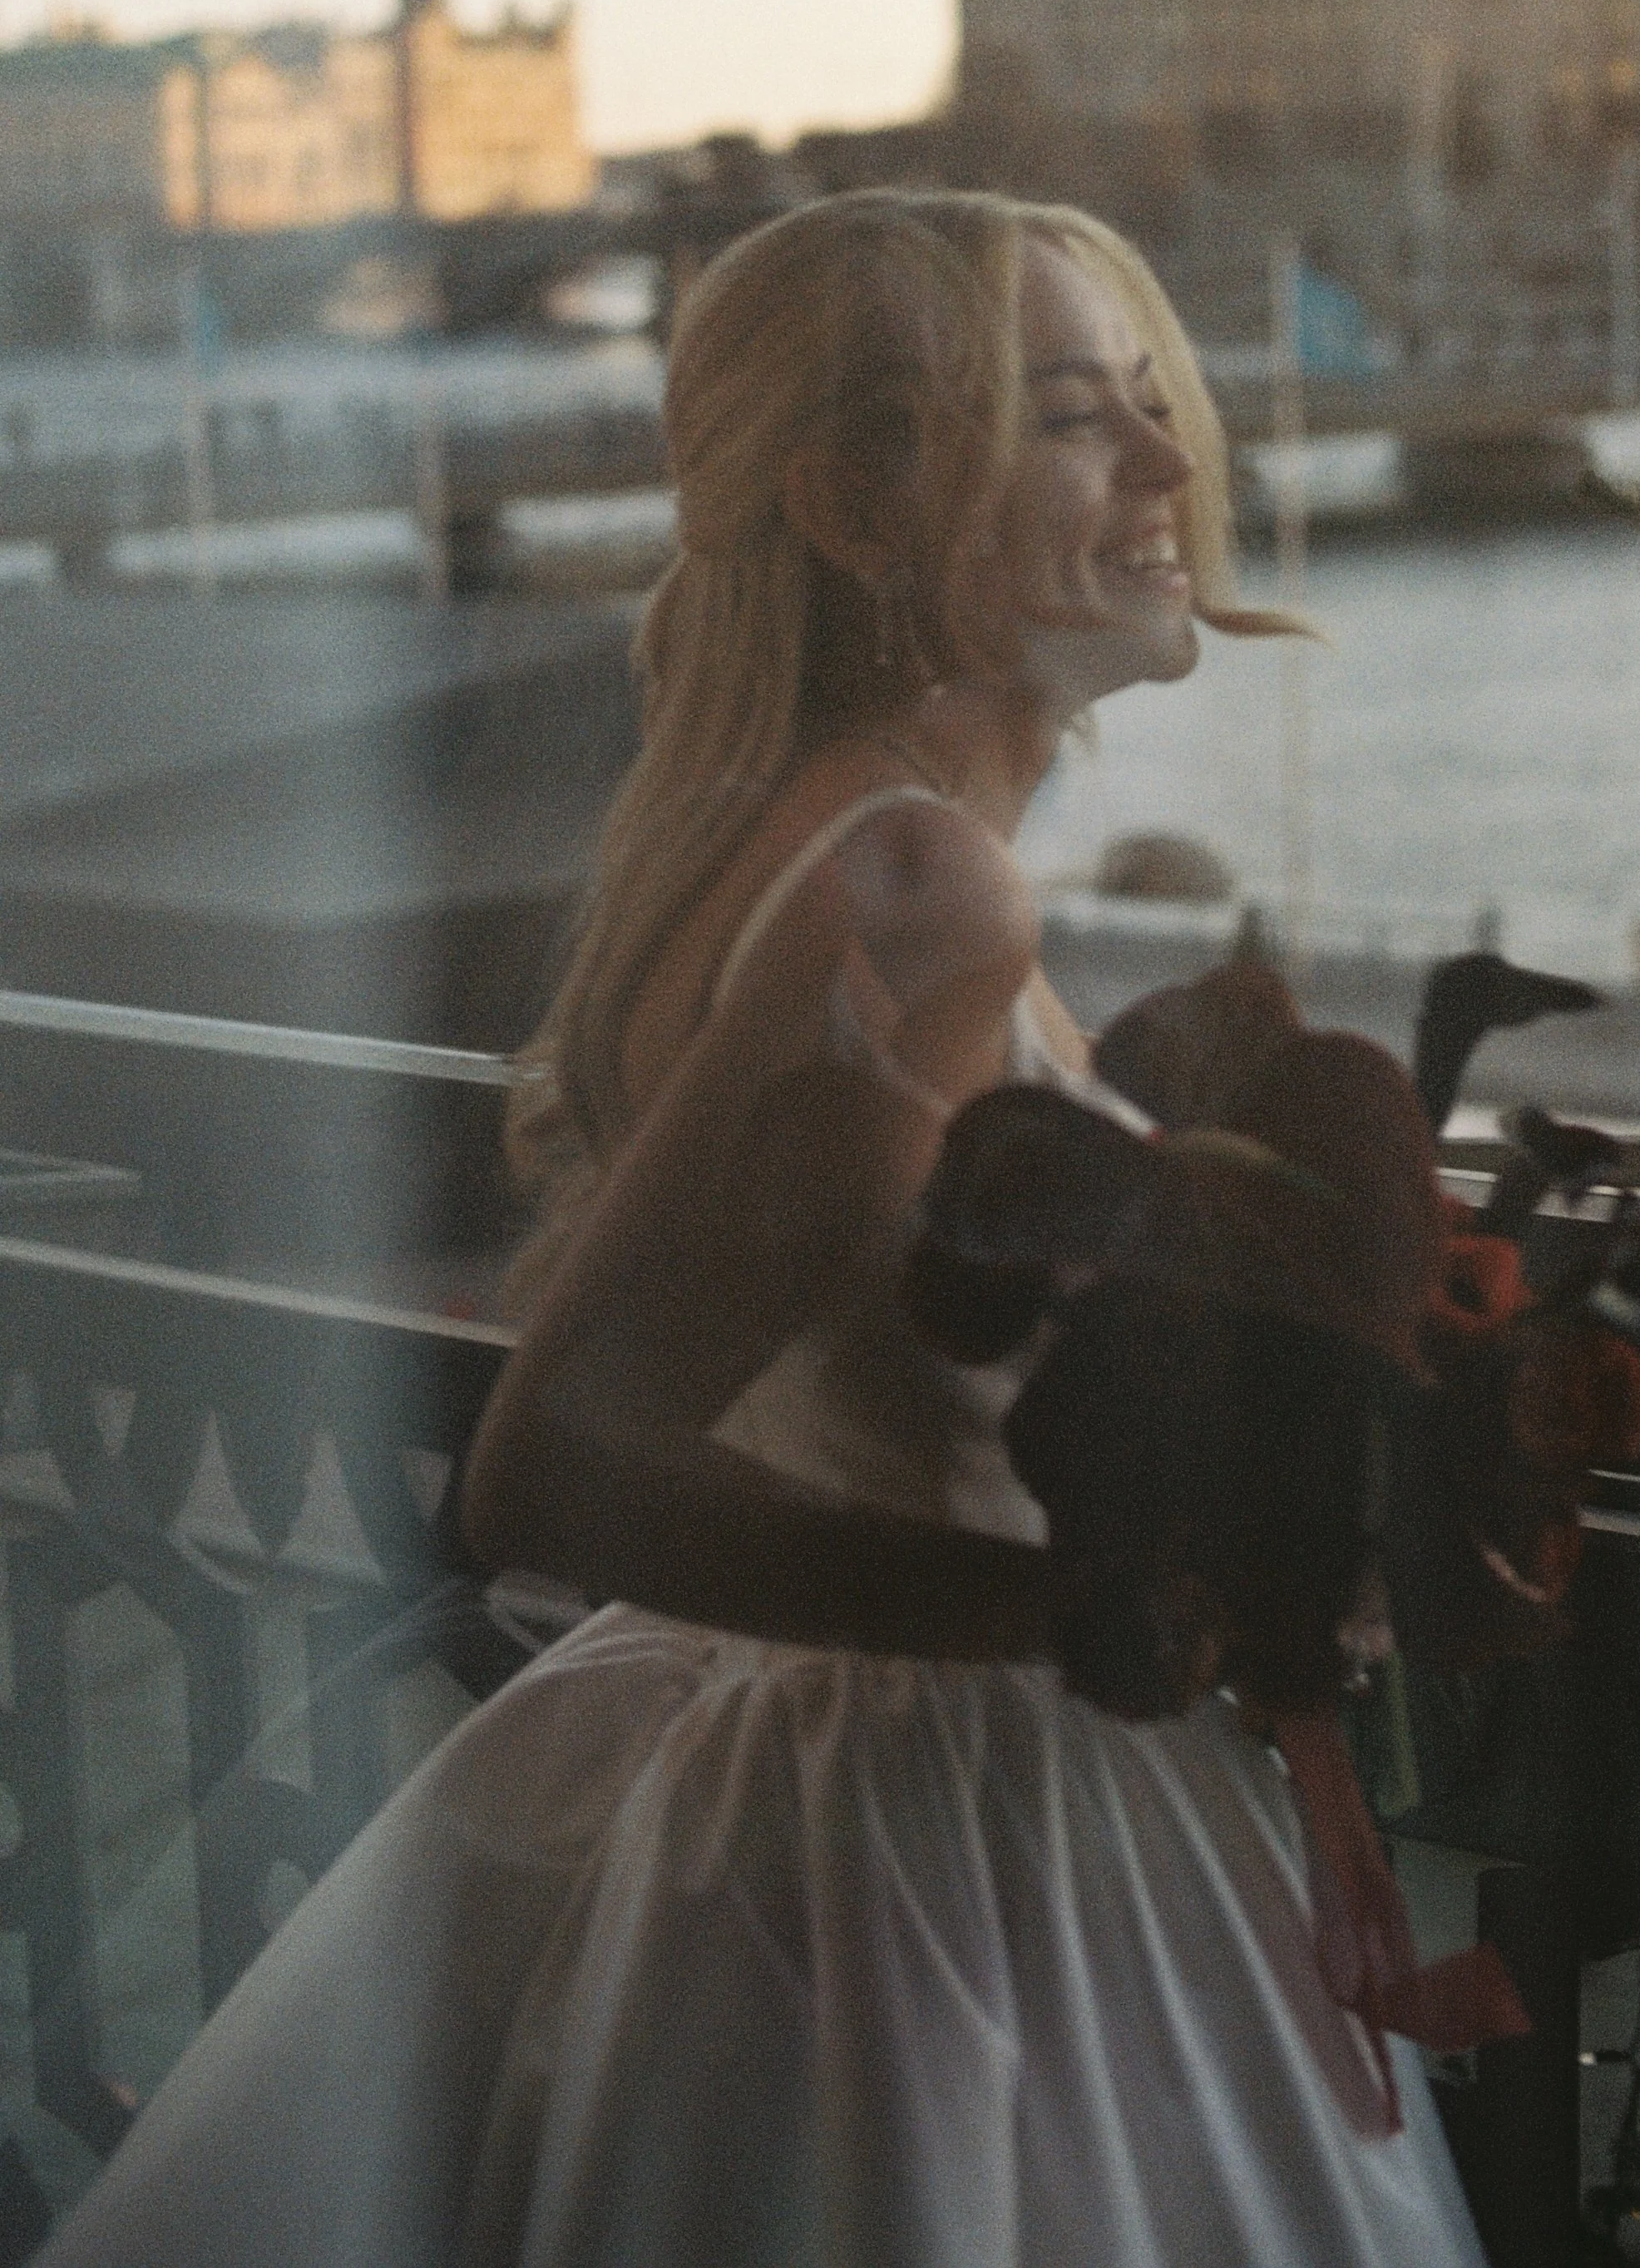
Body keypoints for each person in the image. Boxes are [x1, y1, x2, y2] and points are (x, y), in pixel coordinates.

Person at [41, 190, 1489, 2266]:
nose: (1168, 463)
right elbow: (553, 1465)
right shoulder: (916, 888)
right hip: (924, 1850)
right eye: (1067, 416)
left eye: (1147, 398)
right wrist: (1109, 1602)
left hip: (801, 1787)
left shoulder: (807, 841)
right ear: (854, 506)